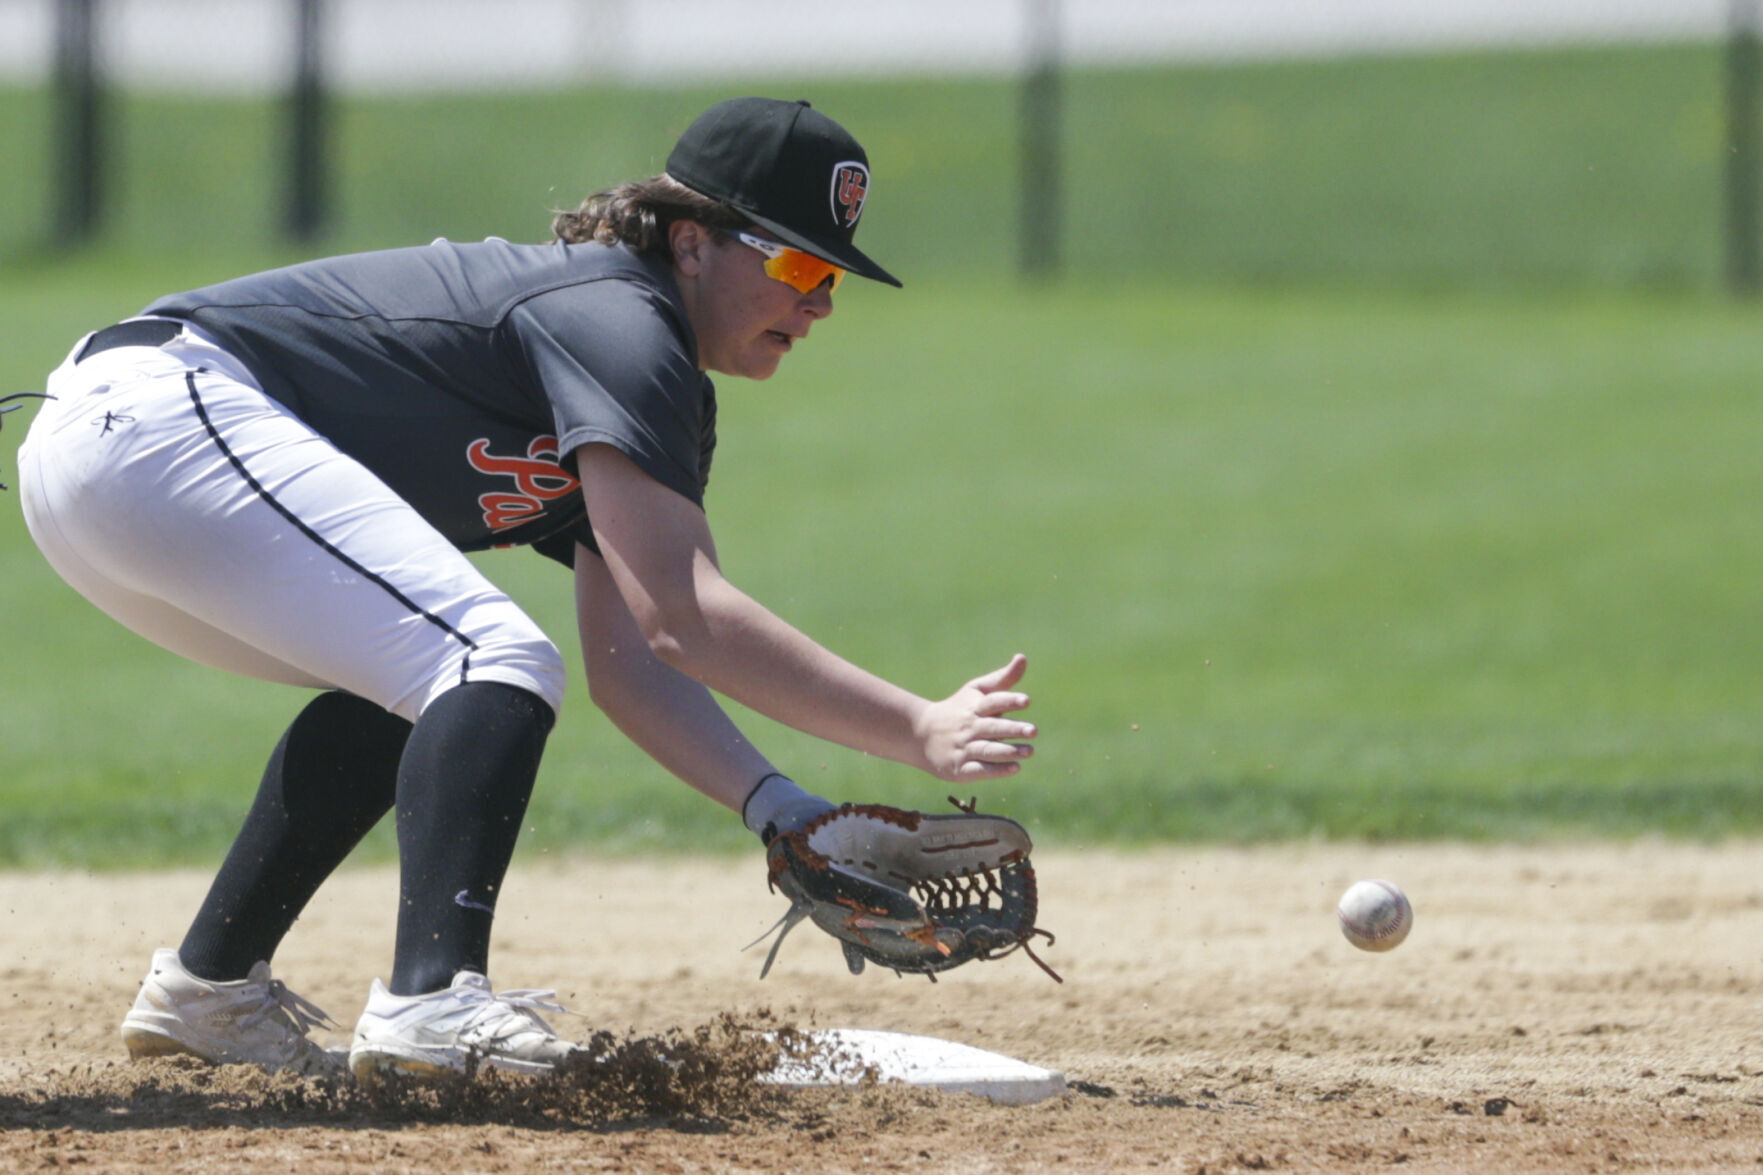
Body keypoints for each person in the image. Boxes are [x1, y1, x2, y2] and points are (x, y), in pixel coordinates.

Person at [12, 97, 1037, 1083]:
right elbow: (687, 617)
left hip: (114, 467)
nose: (817, 301)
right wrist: (916, 727)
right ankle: (433, 998)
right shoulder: (616, 315)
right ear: (691, 241)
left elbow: (635, 660)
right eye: (798, 261)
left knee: (418, 679)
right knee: (489, 657)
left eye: (834, 277)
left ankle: (210, 993)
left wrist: (779, 807)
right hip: (156, 421)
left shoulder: (649, 369)